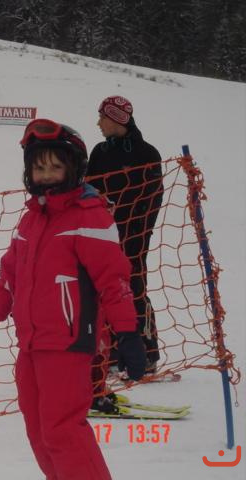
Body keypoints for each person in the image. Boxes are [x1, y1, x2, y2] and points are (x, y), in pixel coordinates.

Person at [0, 118, 146, 480]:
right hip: (31, 345)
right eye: (39, 167)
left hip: (68, 345)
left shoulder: (89, 217)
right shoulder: (31, 221)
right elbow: (9, 281)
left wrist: (128, 333)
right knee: (39, 432)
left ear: (74, 168)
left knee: (62, 430)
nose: (46, 175)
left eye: (55, 166)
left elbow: (113, 282)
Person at [86, 96, 164, 374]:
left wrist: (137, 233)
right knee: (104, 290)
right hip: (104, 236)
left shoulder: (147, 154)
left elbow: (153, 199)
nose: (98, 123)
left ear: (117, 119)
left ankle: (146, 352)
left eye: (102, 117)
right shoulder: (99, 152)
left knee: (134, 289)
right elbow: (89, 191)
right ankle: (112, 353)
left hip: (134, 237)